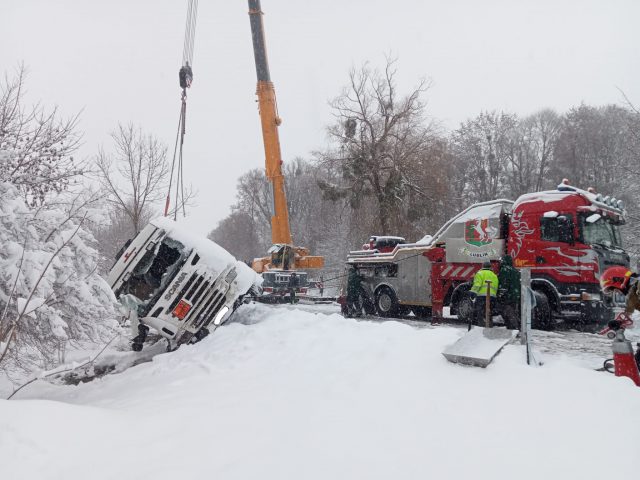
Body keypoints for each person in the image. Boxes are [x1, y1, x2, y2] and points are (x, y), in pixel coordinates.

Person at [470, 260, 499, 326]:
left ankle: (481, 326)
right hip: (492, 297)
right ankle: (489, 325)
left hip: (482, 297)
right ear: (490, 267)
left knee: (480, 313)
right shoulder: (494, 275)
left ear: (483, 266)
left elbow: (477, 284)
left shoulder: (480, 273)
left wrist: (473, 292)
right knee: (489, 312)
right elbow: (496, 286)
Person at [498, 254, 521, 329]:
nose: (500, 262)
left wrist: (500, 293)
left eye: (501, 261)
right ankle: (515, 326)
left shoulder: (504, 270)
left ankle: (513, 327)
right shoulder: (515, 270)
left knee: (507, 311)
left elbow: (503, 283)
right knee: (514, 311)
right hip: (515, 294)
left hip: (508, 295)